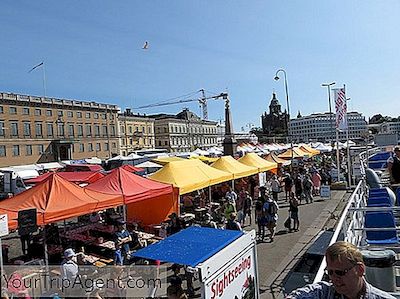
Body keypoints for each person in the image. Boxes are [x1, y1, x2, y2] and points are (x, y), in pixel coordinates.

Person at [286, 241, 396, 299]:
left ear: (360, 269)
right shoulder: (324, 293)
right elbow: (303, 294)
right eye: (330, 272)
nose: (334, 278)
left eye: (340, 272)